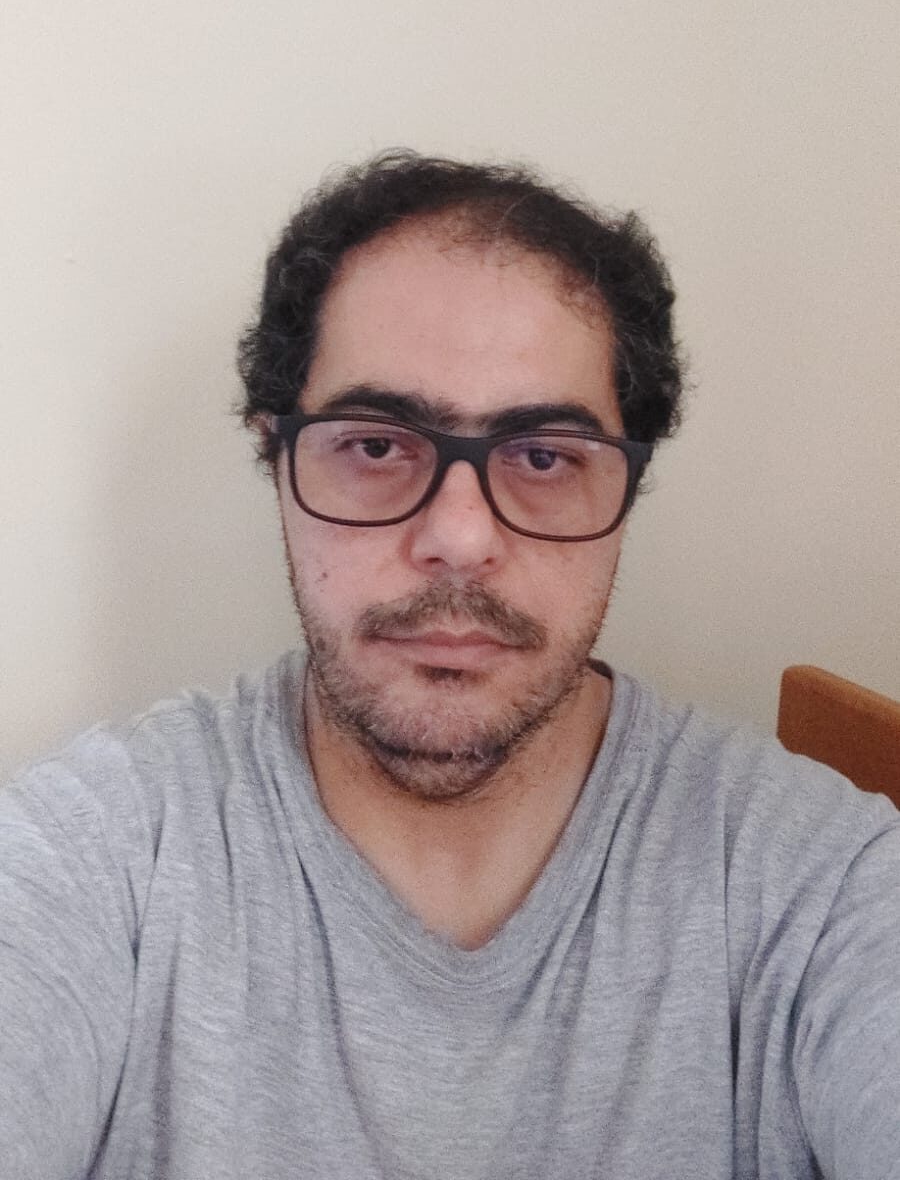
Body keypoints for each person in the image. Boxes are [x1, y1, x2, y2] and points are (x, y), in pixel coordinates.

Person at [2, 150, 898, 1180]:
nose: (461, 539)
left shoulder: (824, 889)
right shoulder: (94, 859)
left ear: (628, 486)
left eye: (545, 455)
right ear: (276, 457)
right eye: (379, 446)